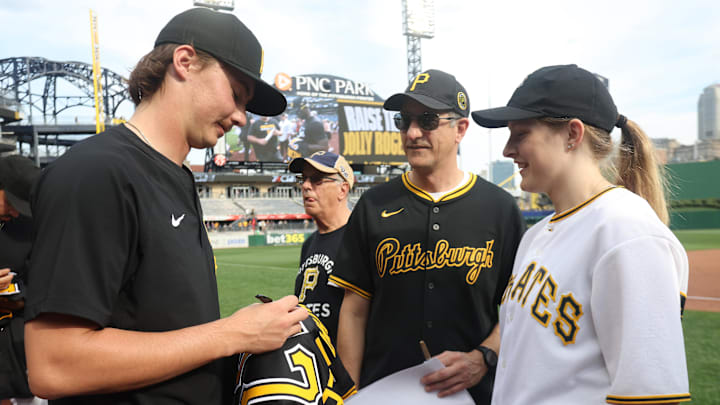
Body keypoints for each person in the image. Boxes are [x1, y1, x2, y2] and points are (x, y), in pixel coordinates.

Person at [24, 8, 307, 404]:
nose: (242, 118)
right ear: (185, 62)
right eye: (237, 94)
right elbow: (53, 364)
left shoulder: (177, 175)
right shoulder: (97, 173)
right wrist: (230, 334)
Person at [471, 64, 690, 404]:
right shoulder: (536, 235)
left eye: (521, 134)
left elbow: (652, 395)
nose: (507, 150)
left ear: (572, 135)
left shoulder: (628, 231)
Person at [331, 70, 525, 404]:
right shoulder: (374, 205)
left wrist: (483, 357)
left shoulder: (500, 209)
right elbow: (354, 310)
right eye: (404, 121)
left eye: (428, 120)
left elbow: (516, 309)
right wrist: (349, 393)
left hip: (472, 395)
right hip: (383, 394)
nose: (413, 132)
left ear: (460, 129)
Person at [288, 151, 354, 343]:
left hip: (343, 365)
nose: (306, 186)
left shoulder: (359, 238)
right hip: (314, 360)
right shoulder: (309, 244)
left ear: (342, 189)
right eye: (303, 179)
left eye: (317, 180)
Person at [0, 156, 44, 405]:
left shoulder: (26, 227)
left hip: (15, 349)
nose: (15, 211)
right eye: (10, 202)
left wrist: (15, 298)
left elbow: (41, 283)